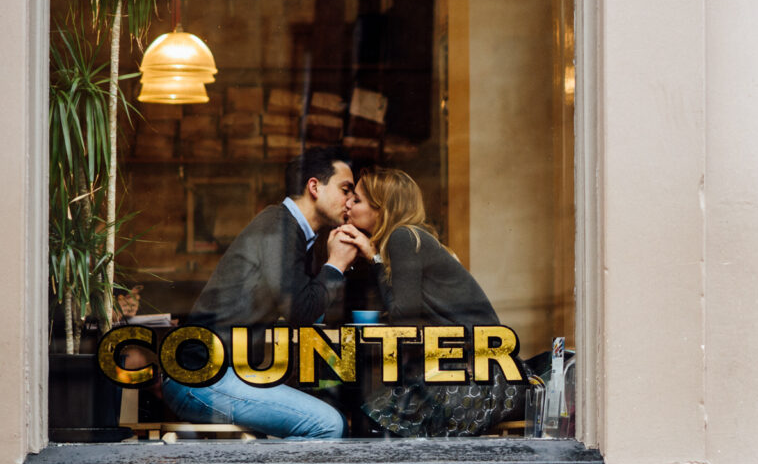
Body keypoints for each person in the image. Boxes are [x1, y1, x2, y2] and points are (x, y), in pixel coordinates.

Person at [161, 146, 365, 439]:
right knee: (328, 425)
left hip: (216, 374)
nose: (350, 202)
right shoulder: (280, 227)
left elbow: (306, 311)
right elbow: (302, 312)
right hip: (201, 376)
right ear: (314, 187)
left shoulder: (293, 231)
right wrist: (336, 265)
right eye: (346, 189)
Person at [342, 167, 520, 436]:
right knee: (373, 412)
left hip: (477, 378)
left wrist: (373, 258)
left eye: (356, 199)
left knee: (371, 420)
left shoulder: (403, 238)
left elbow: (404, 318)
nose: (348, 203)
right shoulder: (414, 238)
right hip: (483, 373)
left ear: (381, 209)